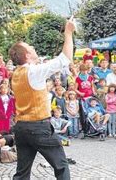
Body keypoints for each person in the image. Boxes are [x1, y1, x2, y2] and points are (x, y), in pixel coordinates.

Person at [8, 17, 74, 179]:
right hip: (38, 127)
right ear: (28, 54)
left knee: (22, 172)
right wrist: (68, 33)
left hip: (22, 127)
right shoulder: (33, 72)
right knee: (61, 166)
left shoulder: (15, 74)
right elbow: (65, 59)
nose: (33, 47)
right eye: (30, 47)